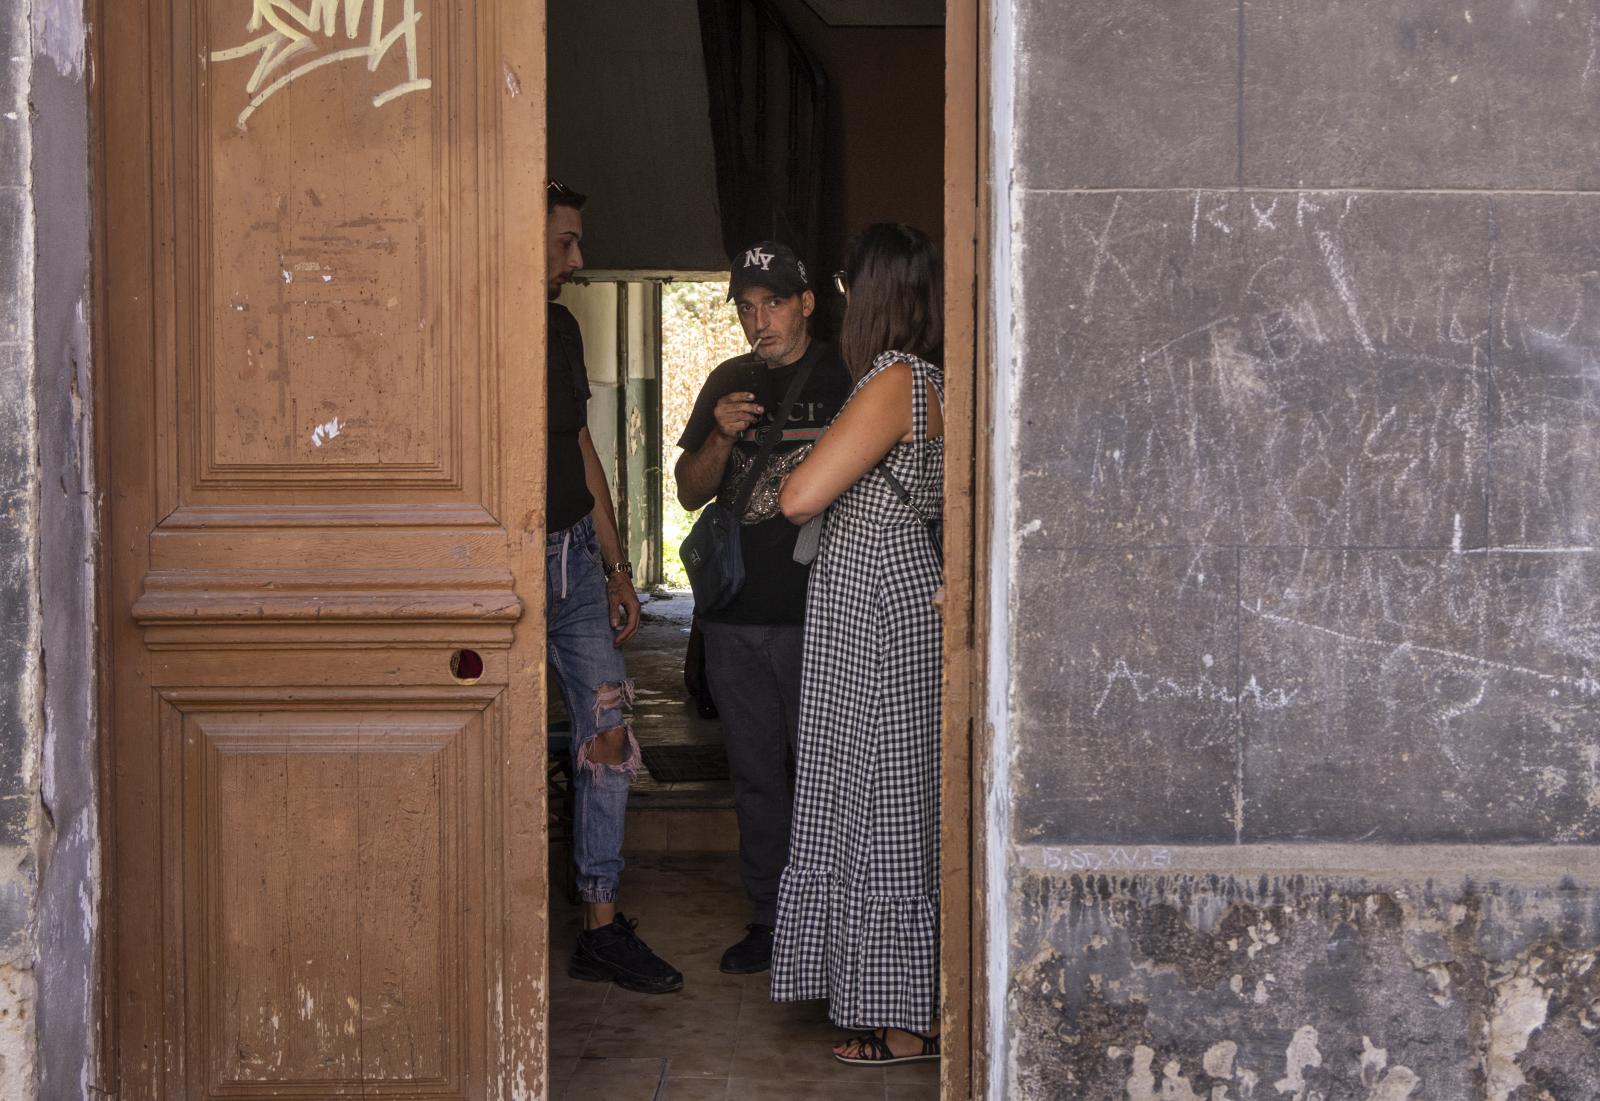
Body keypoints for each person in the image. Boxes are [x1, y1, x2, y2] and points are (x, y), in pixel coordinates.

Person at [771, 224, 945, 1065]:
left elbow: (801, 495)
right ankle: (890, 996)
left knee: (881, 799)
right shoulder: (927, 378)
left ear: (868, 295)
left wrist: (786, 469)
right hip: (887, 600)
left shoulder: (894, 378)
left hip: (875, 608)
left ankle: (906, 1018)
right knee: (888, 795)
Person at [674, 241, 853, 974]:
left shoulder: (849, 375)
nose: (759, 322)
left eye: (773, 303)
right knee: (755, 775)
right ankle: (772, 921)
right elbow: (688, 489)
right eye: (747, 308)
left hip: (824, 613)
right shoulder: (728, 379)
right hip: (736, 618)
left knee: (828, 773)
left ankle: (838, 923)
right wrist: (719, 431)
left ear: (807, 302)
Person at [545, 178, 682, 994]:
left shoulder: (561, 329)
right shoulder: (479, 321)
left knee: (606, 735)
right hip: (508, 557)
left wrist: (617, 564)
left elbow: (585, 448)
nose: (578, 257)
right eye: (565, 242)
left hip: (572, 561)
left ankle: (600, 922)